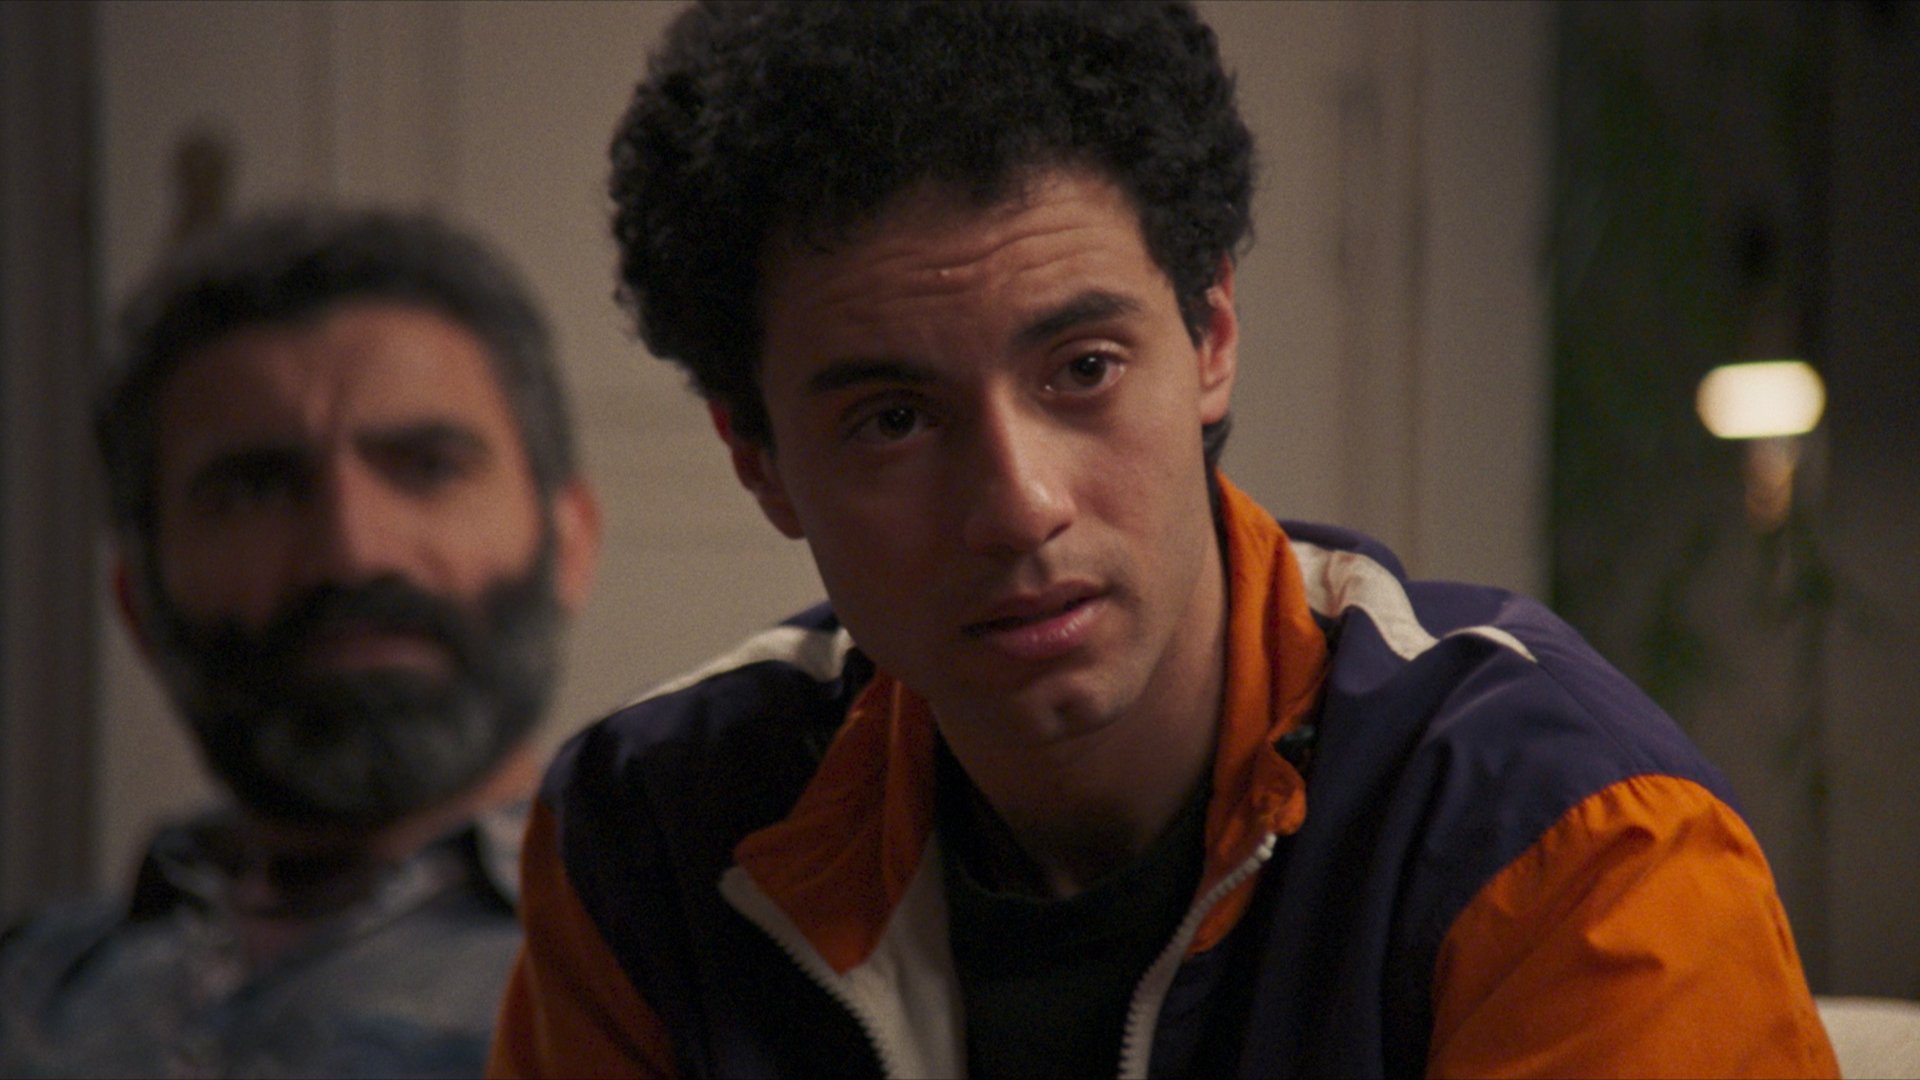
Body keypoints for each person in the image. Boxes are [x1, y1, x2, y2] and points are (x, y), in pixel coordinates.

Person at [490, 2, 1837, 1076]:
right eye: (893, 419)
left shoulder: (1563, 839)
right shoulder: (653, 838)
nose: (1019, 504)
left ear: (1211, 338)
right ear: (760, 461)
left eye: (1082, 368)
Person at [0, 208, 601, 1077]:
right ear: (138, 599)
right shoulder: (32, 985)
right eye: (253, 489)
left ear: (571, 543)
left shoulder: (677, 979)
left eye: (427, 467)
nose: (351, 552)